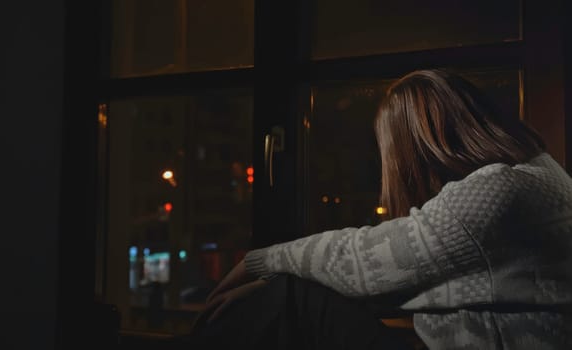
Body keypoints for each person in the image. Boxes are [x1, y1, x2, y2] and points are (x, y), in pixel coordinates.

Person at [189, 69, 572, 349]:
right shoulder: (542, 175)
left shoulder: (498, 191)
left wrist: (257, 262)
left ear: (417, 148)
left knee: (294, 299)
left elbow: (364, 259)